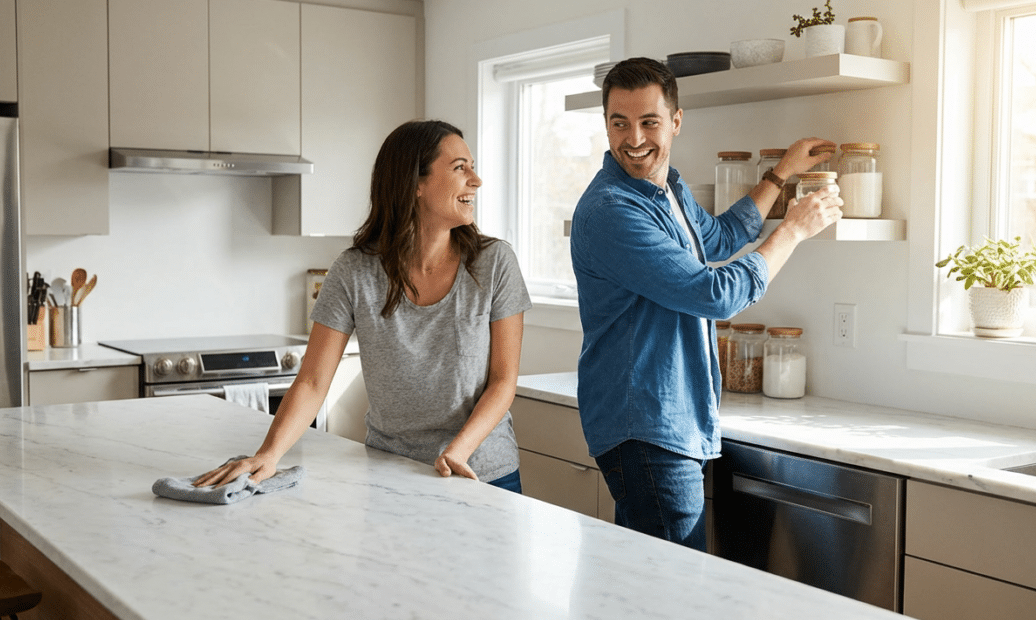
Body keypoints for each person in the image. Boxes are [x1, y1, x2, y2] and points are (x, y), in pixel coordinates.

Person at [569, 57, 843, 549]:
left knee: (648, 588)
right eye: (619, 123)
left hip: (670, 418)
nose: (634, 139)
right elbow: (713, 294)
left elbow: (714, 240)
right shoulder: (612, 210)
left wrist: (779, 174)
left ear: (676, 121)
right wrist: (793, 231)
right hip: (646, 426)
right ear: (605, 123)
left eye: (649, 122)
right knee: (675, 598)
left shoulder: (665, 186)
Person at [196, 120, 532, 492]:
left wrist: (460, 451)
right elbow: (312, 381)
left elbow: (503, 381)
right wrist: (269, 454)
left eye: (471, 166)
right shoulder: (354, 271)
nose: (476, 180)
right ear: (416, 184)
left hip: (483, 474)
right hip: (390, 474)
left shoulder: (495, 262)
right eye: (459, 168)